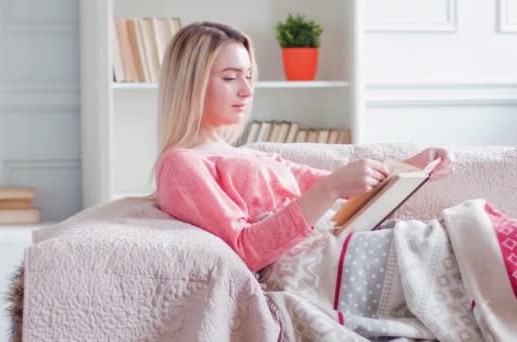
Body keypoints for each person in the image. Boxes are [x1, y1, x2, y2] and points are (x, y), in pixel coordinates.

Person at [154, 21, 452, 272]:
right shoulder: (182, 165)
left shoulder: (251, 157)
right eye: (230, 77)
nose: (246, 90)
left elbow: (342, 184)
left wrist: (415, 164)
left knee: (463, 227)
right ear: (190, 84)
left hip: (338, 249)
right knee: (458, 236)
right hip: (316, 267)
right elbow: (243, 249)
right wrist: (329, 190)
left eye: (248, 76)